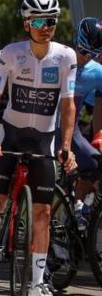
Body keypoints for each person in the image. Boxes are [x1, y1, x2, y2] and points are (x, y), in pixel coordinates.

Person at [0, 0, 77, 296]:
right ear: (27, 23)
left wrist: (65, 145)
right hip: (11, 133)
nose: (46, 27)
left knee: (43, 213)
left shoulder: (66, 57)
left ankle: (37, 281)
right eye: (39, 21)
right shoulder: (10, 54)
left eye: (51, 21)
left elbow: (68, 106)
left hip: (44, 138)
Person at [65, 17, 102, 231]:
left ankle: (82, 211)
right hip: (44, 129)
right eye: (82, 50)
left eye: (94, 54)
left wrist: (99, 135)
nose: (85, 57)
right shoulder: (58, 58)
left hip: (73, 132)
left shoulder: (97, 72)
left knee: (97, 166)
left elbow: (99, 107)